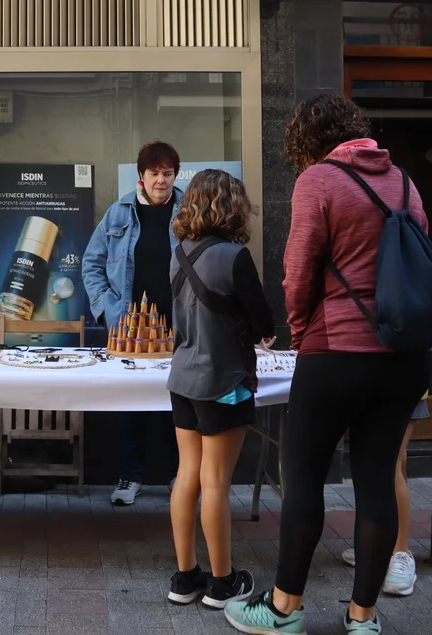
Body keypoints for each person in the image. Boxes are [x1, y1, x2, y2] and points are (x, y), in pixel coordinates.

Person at [225, 95, 431, 635]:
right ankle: (363, 618)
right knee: (378, 483)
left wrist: (301, 331)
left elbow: (298, 270)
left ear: (307, 140)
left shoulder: (318, 180)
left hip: (336, 350)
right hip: (403, 357)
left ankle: (284, 609)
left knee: (304, 479)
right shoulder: (404, 183)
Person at [164, 169, 275, 610]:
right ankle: (223, 582)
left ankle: (185, 576)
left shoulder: (178, 253)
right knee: (216, 482)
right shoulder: (235, 256)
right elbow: (263, 322)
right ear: (232, 206)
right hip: (224, 380)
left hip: (183, 378)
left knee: (186, 476)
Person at [82, 141, 183, 505]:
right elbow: (91, 264)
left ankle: (179, 477)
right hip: (130, 326)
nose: (161, 180)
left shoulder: (190, 212)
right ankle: (129, 477)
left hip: (179, 324)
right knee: (132, 404)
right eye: (154, 173)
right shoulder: (119, 213)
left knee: (179, 401)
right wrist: (110, 313)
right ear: (141, 176)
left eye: (168, 173)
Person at [341, 392, 430, 597]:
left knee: (388, 465)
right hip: (366, 386)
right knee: (393, 459)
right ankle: (381, 544)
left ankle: (400, 552)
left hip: (401, 385)